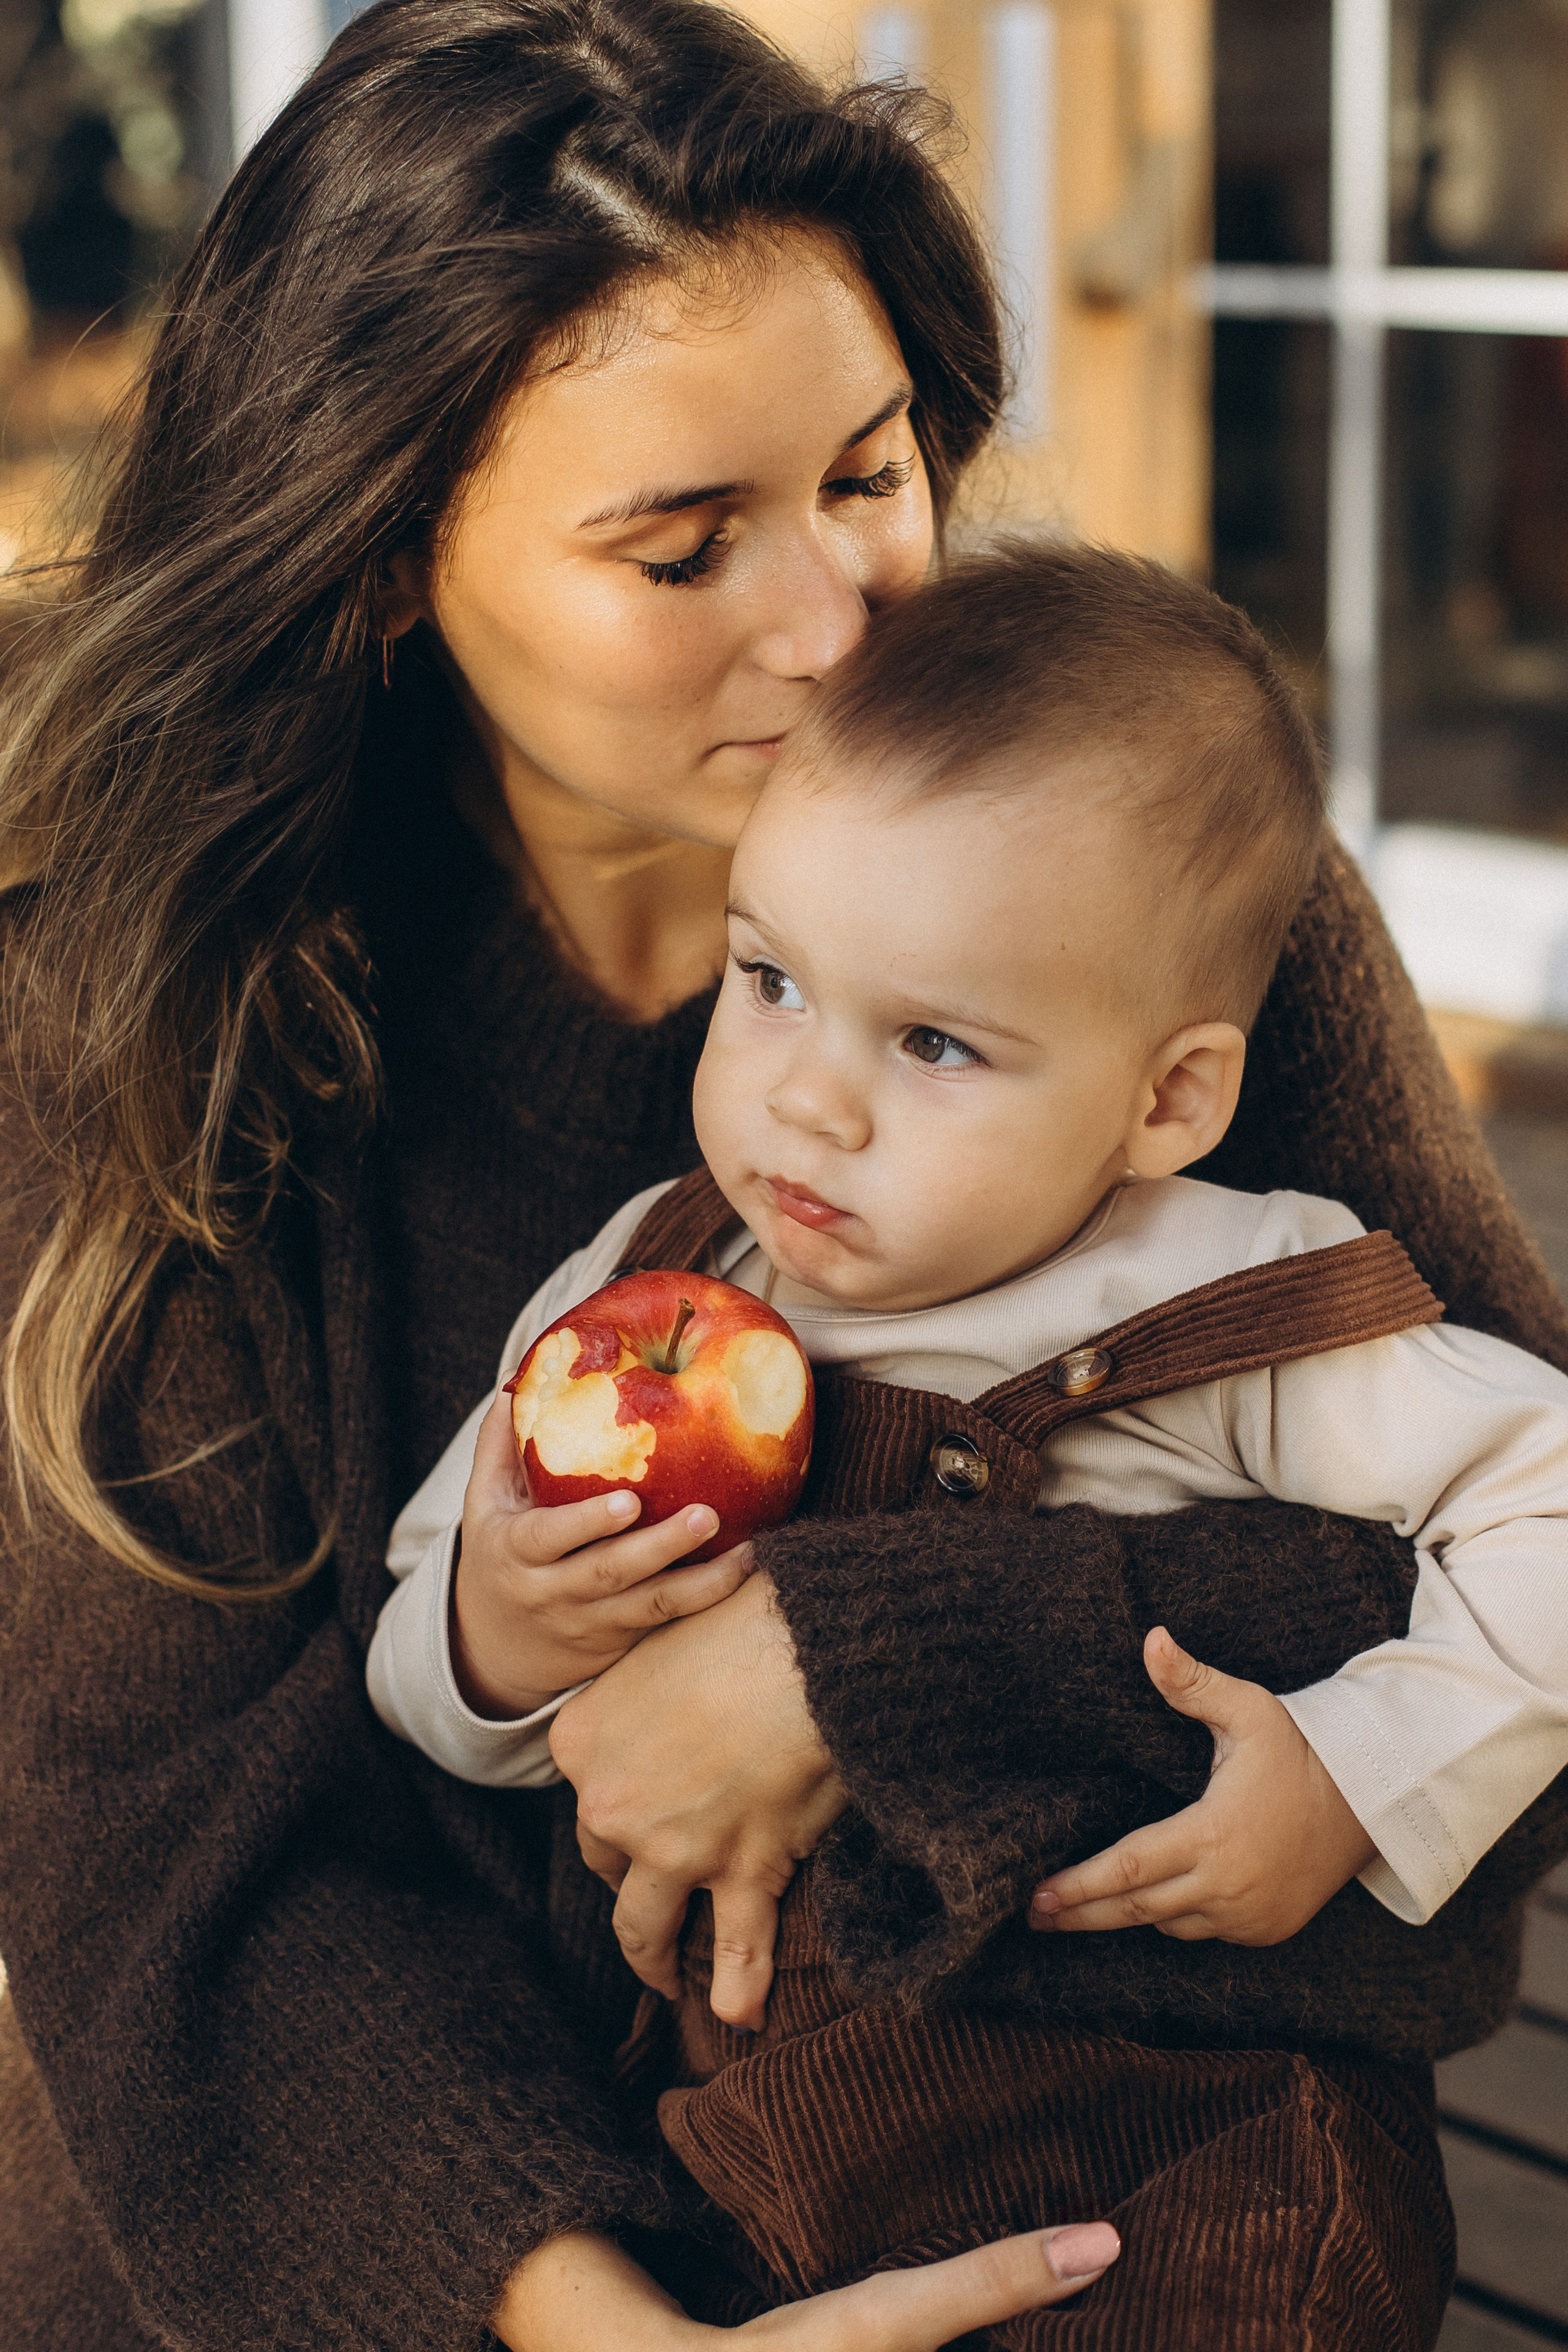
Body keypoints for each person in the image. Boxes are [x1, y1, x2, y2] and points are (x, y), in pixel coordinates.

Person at [0, 5, 1562, 2349]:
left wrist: (857, 1660)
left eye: (868, 473)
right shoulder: (131, 1001)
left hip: (1076, 2203)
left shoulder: (1120, 897)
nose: (840, 630)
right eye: (681, 546)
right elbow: (177, 1870)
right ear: (385, 557)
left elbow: (1505, 1618)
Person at [370, 543, 1568, 2323]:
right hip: (750, 2164)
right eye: (770, 980)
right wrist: (500, 1628)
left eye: (933, 1043)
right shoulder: (649, 1286)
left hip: (1185, 2148)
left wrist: (1359, 1772)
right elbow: (417, 1656)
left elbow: (1547, 1502)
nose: (809, 1100)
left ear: (1169, 1099)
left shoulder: (1224, 1299)